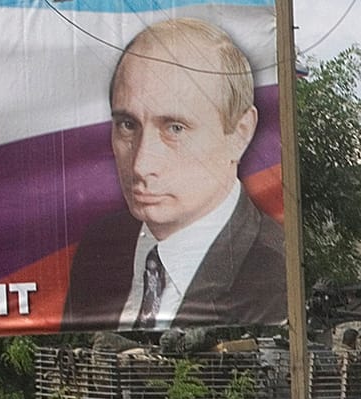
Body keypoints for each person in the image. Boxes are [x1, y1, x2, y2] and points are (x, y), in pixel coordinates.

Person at [65, 18, 285, 332]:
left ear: (240, 132)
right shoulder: (100, 249)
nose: (141, 165)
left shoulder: (272, 273)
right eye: (127, 124)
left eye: (174, 129)